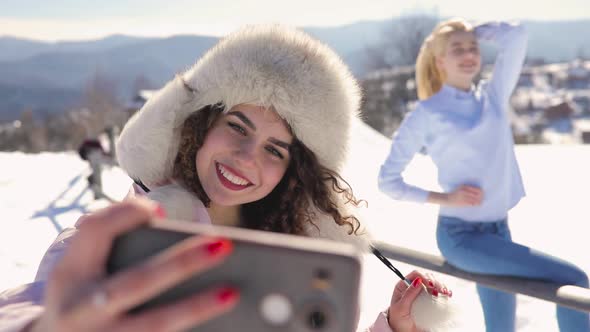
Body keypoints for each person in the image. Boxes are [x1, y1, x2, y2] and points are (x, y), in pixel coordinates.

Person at [0, 25, 450, 332]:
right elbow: (43, 305)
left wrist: (394, 326)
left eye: (276, 150)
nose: (245, 157)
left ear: (295, 173)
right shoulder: (115, 245)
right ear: (200, 126)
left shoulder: (305, 267)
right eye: (237, 127)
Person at [377, 18, 590, 332]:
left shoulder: (492, 99)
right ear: (439, 60)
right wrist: (446, 198)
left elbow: (516, 36)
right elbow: (388, 181)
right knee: (574, 280)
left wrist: (471, 31)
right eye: (457, 49)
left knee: (501, 328)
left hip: (498, 232)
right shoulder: (428, 113)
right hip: (462, 238)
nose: (468, 54)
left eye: (473, 48)